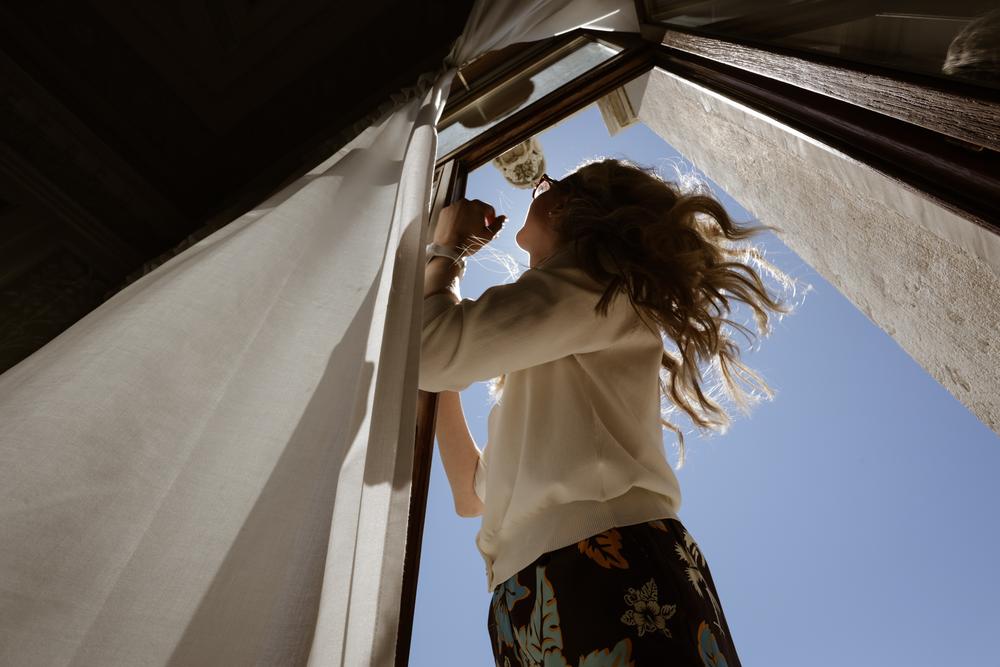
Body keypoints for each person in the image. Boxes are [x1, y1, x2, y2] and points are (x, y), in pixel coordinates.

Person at [419, 157, 790, 666]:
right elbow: (470, 492)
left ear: (569, 205)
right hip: (533, 587)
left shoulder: (600, 284)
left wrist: (448, 252)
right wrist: (438, 367)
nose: (536, 190)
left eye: (545, 186)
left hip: (600, 562)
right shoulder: (561, 339)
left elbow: (431, 352)